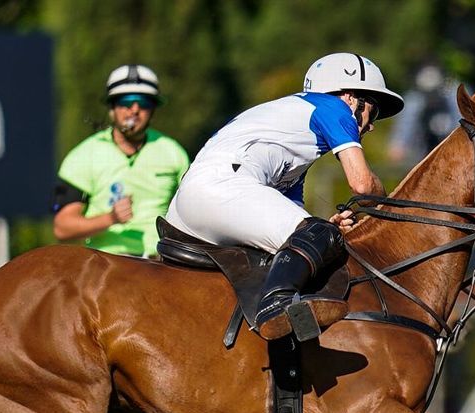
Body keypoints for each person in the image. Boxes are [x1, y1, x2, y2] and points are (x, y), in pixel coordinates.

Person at [166, 52, 404, 341]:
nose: (371, 125)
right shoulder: (334, 107)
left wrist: (320, 230)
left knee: (317, 235)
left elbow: (290, 221)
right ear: (351, 98)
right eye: (374, 112)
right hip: (222, 189)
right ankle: (276, 305)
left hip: (188, 207)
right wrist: (385, 199)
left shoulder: (291, 137)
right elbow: (364, 186)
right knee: (322, 236)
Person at [52, 64, 189, 258]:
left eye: (143, 103)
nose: (134, 110)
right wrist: (110, 218)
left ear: (153, 110)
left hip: (160, 264)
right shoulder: (82, 156)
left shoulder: (174, 153)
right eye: (126, 101)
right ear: (111, 108)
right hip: (104, 266)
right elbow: (62, 228)